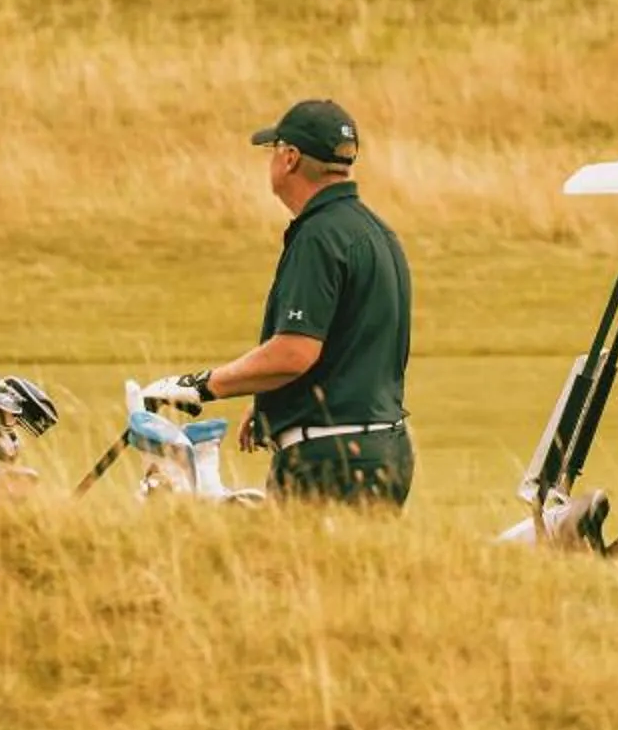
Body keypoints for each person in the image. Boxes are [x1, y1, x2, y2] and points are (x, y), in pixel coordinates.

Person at [142, 97, 414, 507]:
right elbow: (350, 343)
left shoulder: (318, 236)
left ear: (289, 158)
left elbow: (294, 352)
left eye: (274, 150)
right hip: (384, 448)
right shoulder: (374, 230)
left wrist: (201, 386)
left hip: (331, 459)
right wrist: (275, 404)